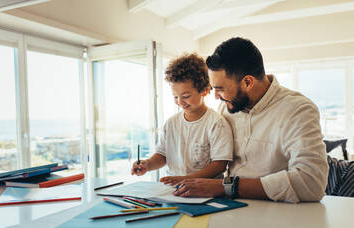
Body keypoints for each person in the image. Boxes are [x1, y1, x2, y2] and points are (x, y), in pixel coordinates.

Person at [173, 37, 329, 203]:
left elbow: (312, 182)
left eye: (220, 89)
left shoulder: (298, 110)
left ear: (248, 82)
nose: (216, 97)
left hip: (280, 213)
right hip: (228, 208)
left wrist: (226, 186)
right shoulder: (225, 109)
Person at [131, 53, 233, 185]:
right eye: (175, 96)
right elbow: (163, 155)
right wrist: (148, 164)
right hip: (174, 188)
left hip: (205, 191)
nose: (180, 102)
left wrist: (186, 179)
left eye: (186, 96)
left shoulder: (217, 123)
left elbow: (219, 165)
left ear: (205, 91)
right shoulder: (171, 123)